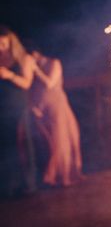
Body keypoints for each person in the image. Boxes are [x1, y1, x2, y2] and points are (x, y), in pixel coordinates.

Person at [30, 50, 83, 187]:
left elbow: (49, 83)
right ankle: (53, 175)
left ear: (35, 53)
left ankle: (64, 175)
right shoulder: (31, 66)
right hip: (42, 108)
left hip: (56, 105)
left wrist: (36, 70)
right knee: (50, 141)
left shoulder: (54, 63)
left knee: (61, 138)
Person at [0, 25, 36, 197]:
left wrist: (10, 76)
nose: (0, 47)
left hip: (17, 107)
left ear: (11, 41)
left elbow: (27, 83)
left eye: (3, 43)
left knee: (21, 146)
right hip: (2, 108)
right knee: (5, 148)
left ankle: (28, 185)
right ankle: (8, 186)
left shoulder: (23, 58)